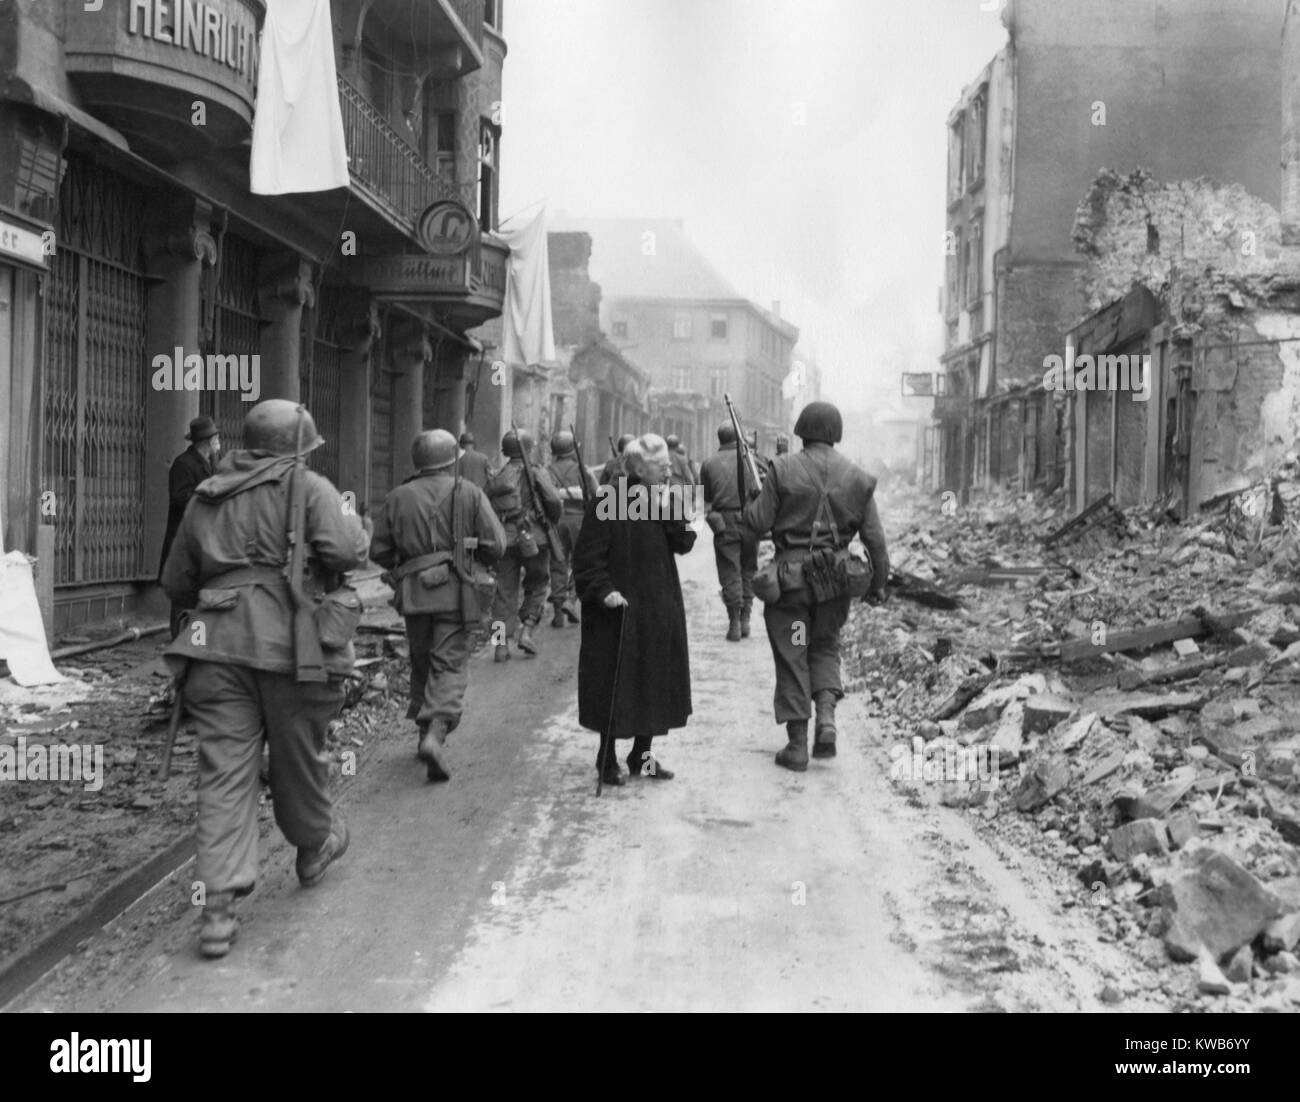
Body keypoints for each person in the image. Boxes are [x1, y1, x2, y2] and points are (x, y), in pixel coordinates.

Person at [160, 399, 368, 959]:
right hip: (293, 648)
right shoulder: (310, 486)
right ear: (297, 448)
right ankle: (313, 844)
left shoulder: (207, 496)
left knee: (224, 773)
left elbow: (175, 580)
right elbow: (349, 550)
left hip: (215, 652)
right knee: (301, 759)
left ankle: (219, 909)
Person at [743, 401, 890, 771]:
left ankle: (797, 745)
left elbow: (756, 523)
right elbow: (875, 540)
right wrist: (879, 585)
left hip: (793, 590)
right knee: (824, 647)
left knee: (795, 650)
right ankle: (827, 720)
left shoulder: (783, 469)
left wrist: (752, 499)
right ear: (836, 434)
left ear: (802, 431)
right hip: (835, 586)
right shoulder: (858, 478)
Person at [370, 430, 506, 781]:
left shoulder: (397, 496)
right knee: (449, 664)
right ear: (451, 461)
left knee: (421, 659)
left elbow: (378, 551)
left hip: (414, 595)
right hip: (456, 593)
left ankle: (421, 731)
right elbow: (496, 544)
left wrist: (406, 568)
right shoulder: (469, 492)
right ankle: (435, 735)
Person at [573, 434, 696, 787]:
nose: (669, 472)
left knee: (655, 677)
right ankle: (606, 757)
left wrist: (671, 506)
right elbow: (586, 558)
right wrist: (603, 590)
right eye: (662, 467)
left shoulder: (661, 497)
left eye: (670, 467)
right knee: (614, 680)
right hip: (618, 606)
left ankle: (641, 755)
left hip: (658, 602)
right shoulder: (609, 499)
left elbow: (684, 543)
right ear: (640, 468)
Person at [486, 429, 563, 661]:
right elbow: (553, 501)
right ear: (528, 449)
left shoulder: (498, 475)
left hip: (505, 540)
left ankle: (499, 647)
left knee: (503, 593)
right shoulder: (537, 471)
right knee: (539, 584)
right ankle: (527, 631)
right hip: (535, 538)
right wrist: (548, 522)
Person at [160, 416, 221, 639]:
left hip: (202, 535)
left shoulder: (212, 462)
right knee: (182, 590)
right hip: (184, 536)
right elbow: (179, 498)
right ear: (207, 440)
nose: (218, 442)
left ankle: (195, 636)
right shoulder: (183, 463)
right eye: (216, 438)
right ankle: (178, 636)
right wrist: (207, 494)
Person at [699, 422, 759, 642]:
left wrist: (708, 520)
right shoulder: (750, 460)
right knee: (749, 569)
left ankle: (734, 622)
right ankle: (745, 620)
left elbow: (700, 501)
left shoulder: (708, 464)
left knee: (729, 572)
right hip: (751, 521)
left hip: (724, 522)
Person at [545, 430, 597, 628]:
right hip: (578, 521)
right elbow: (596, 494)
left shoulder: (547, 470)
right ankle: (572, 599)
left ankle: (558, 613)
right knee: (582, 562)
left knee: (558, 563)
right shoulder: (582, 470)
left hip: (556, 521)